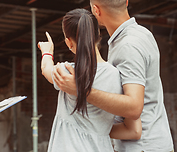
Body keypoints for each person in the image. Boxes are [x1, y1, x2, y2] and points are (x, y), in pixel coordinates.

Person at [53, 0, 174, 151]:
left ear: (96, 10)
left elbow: (134, 107)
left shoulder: (127, 45)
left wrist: (81, 90)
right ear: (126, 1)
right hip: (153, 142)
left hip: (142, 147)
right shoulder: (142, 34)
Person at [38, 8, 142, 152]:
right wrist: (99, 129)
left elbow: (46, 69)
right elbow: (134, 131)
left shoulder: (67, 72)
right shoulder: (116, 75)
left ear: (69, 43)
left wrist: (47, 52)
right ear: (98, 34)